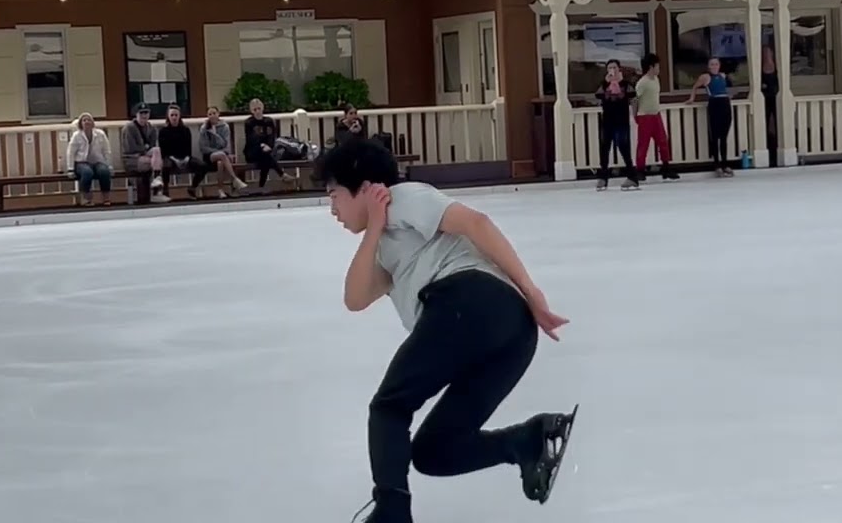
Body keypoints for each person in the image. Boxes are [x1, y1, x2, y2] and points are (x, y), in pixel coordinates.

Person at [317, 140, 576, 523]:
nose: (332, 209)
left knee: (389, 407)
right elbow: (354, 298)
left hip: (469, 303)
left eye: (334, 194)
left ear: (365, 188)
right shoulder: (386, 242)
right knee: (434, 452)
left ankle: (391, 512)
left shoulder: (403, 199)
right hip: (510, 336)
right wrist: (373, 227)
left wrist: (532, 291)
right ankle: (526, 440)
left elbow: (476, 223)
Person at [594, 59, 639, 191]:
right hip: (607, 120)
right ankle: (603, 177)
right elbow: (598, 95)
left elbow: (633, 94)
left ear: (619, 69)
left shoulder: (626, 84)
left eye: (614, 67)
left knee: (623, 146)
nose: (612, 70)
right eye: (609, 68)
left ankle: (632, 176)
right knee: (604, 147)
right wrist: (607, 82)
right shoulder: (604, 84)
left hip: (621, 121)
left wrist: (619, 82)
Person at [632, 53, 679, 181]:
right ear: (651, 67)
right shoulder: (643, 82)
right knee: (643, 144)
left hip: (655, 115)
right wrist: (635, 115)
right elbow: (634, 100)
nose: (659, 68)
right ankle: (640, 170)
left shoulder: (656, 79)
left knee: (663, 141)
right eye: (657, 66)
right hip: (645, 117)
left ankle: (666, 167)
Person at [687, 57, 735, 177]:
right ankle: (717, 164)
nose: (714, 66)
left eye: (716, 64)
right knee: (715, 135)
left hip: (725, 103)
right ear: (708, 66)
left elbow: (723, 89)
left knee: (724, 136)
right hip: (715, 104)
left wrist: (729, 96)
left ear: (719, 65)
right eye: (712, 64)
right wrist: (692, 98)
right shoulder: (705, 77)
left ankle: (725, 164)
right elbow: (695, 86)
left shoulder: (723, 76)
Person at [121, 104, 171, 203]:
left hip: (148, 158)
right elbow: (130, 148)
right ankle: (157, 191)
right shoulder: (129, 128)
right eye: (142, 113)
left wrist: (148, 151)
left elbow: (153, 144)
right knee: (157, 162)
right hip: (131, 159)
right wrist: (145, 150)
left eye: (146, 112)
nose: (144, 115)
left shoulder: (151, 128)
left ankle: (156, 183)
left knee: (157, 152)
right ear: (136, 114)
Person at [157, 105, 208, 198]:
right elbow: (163, 151)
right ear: (168, 116)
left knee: (203, 166)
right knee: (165, 166)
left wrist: (186, 158)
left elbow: (188, 148)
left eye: (176, 115)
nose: (174, 117)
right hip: (170, 158)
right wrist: (175, 160)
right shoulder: (163, 131)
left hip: (185, 157)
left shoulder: (185, 130)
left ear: (179, 116)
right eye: (172, 115)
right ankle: (165, 189)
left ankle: (192, 187)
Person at [243, 98, 293, 189]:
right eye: (255, 109)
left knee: (266, 157)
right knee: (266, 156)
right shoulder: (249, 123)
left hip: (267, 151)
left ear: (262, 108)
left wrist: (269, 146)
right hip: (252, 151)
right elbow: (250, 139)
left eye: (259, 108)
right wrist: (261, 145)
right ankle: (281, 174)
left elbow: (272, 136)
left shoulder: (269, 121)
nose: (257, 111)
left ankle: (261, 186)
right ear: (251, 111)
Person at [199, 106, 248, 197]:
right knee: (221, 155)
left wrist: (215, 135)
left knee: (220, 162)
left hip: (223, 155)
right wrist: (216, 151)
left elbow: (226, 146)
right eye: (210, 114)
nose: (212, 116)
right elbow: (203, 148)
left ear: (218, 114)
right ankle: (235, 179)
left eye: (214, 113)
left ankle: (220, 190)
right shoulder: (204, 128)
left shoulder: (225, 127)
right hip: (209, 156)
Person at [65, 112, 113, 206]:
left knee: (104, 171)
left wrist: (109, 165)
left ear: (93, 122)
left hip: (97, 162)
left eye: (89, 120)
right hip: (81, 162)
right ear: (81, 123)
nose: (87, 122)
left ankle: (106, 197)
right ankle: (87, 198)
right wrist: (70, 169)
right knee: (87, 172)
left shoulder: (100, 134)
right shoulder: (77, 135)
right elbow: (70, 153)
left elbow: (107, 150)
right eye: (84, 120)